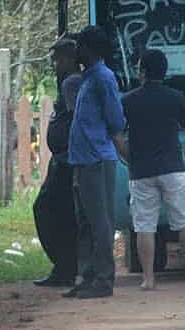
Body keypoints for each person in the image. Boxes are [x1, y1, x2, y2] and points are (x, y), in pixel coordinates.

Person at [121, 49, 185, 290]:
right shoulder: (176, 97)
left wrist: (129, 157)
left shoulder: (128, 100)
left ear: (142, 72)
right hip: (172, 168)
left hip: (140, 171)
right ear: (165, 71)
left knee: (144, 225)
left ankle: (148, 279)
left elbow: (118, 132)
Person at [64, 25, 127, 299]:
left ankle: (103, 279)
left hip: (97, 159)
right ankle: (87, 276)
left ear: (90, 50)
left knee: (100, 221)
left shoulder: (103, 78)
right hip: (83, 159)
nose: (76, 50)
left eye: (80, 46)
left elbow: (115, 120)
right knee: (86, 221)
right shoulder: (87, 78)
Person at [32, 37, 83, 287]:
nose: (55, 65)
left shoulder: (72, 82)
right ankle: (65, 267)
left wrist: (69, 158)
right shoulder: (67, 81)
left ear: (72, 59)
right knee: (60, 212)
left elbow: (77, 120)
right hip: (62, 157)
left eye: (59, 59)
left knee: (47, 209)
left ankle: (65, 267)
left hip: (67, 158)